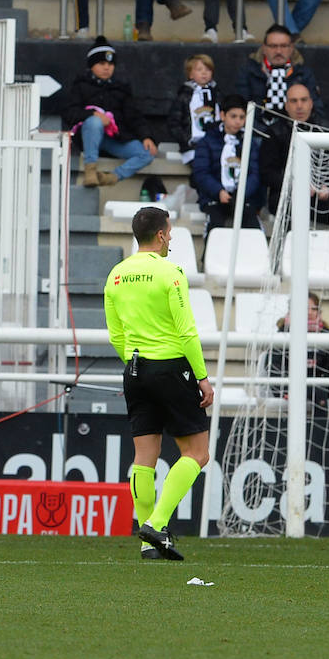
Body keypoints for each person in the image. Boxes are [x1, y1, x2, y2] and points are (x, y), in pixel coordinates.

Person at [104, 206, 214, 561]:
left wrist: (136, 365)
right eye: (170, 232)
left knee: (143, 458)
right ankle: (157, 523)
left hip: (135, 370)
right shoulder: (172, 273)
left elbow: (115, 334)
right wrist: (202, 377)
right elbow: (186, 331)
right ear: (163, 234)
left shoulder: (116, 275)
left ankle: (146, 542)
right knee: (197, 453)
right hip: (171, 369)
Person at [262, 83, 329, 271]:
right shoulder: (274, 133)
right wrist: (296, 185)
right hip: (286, 198)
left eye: (303, 100)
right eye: (294, 101)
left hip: (319, 197)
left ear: (311, 103)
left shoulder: (327, 128)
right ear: (286, 105)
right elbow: (267, 173)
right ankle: (286, 269)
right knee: (289, 212)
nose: (299, 106)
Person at [61, 36, 157, 188]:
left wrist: (146, 136)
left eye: (110, 64)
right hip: (87, 137)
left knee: (145, 154)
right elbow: (69, 112)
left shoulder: (121, 87)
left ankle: (112, 177)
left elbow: (133, 115)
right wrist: (93, 115)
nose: (107, 68)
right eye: (101, 63)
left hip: (114, 139)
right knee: (94, 123)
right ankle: (90, 170)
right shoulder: (80, 85)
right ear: (92, 65)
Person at [190, 94, 263, 236]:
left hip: (243, 197)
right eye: (233, 116)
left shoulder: (250, 142)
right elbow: (201, 172)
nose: (238, 121)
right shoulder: (207, 141)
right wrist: (218, 191)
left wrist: (242, 193)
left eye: (242, 117)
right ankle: (209, 257)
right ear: (223, 115)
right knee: (215, 225)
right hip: (214, 197)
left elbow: (254, 173)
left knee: (253, 226)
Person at [235, 24, 327, 130]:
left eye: (283, 46)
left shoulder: (304, 74)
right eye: (273, 46)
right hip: (257, 134)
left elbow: (317, 110)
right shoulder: (248, 71)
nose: (278, 51)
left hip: (295, 134)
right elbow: (240, 109)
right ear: (264, 48)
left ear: (291, 48)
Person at [265, 291, 329, 417]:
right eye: (305, 308)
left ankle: (316, 434)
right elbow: (273, 366)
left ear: (319, 312)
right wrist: (284, 390)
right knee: (310, 393)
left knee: (319, 393)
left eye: (314, 309)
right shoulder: (282, 334)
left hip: (317, 388)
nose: (309, 312)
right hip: (287, 387)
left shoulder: (326, 335)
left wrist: (325, 389)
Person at [169, 53, 220, 163]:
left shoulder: (217, 94)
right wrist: (186, 140)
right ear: (190, 74)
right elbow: (174, 122)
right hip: (192, 147)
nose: (204, 73)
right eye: (199, 69)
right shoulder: (184, 95)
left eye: (208, 69)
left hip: (214, 144)